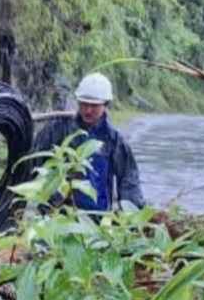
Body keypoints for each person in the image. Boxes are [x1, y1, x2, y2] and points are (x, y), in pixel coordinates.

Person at [31, 72, 145, 212]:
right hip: (54, 215)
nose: (88, 110)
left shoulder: (114, 140)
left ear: (106, 105)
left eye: (94, 106)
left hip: (96, 218)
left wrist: (129, 216)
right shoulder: (56, 130)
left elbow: (129, 183)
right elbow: (29, 164)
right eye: (84, 104)